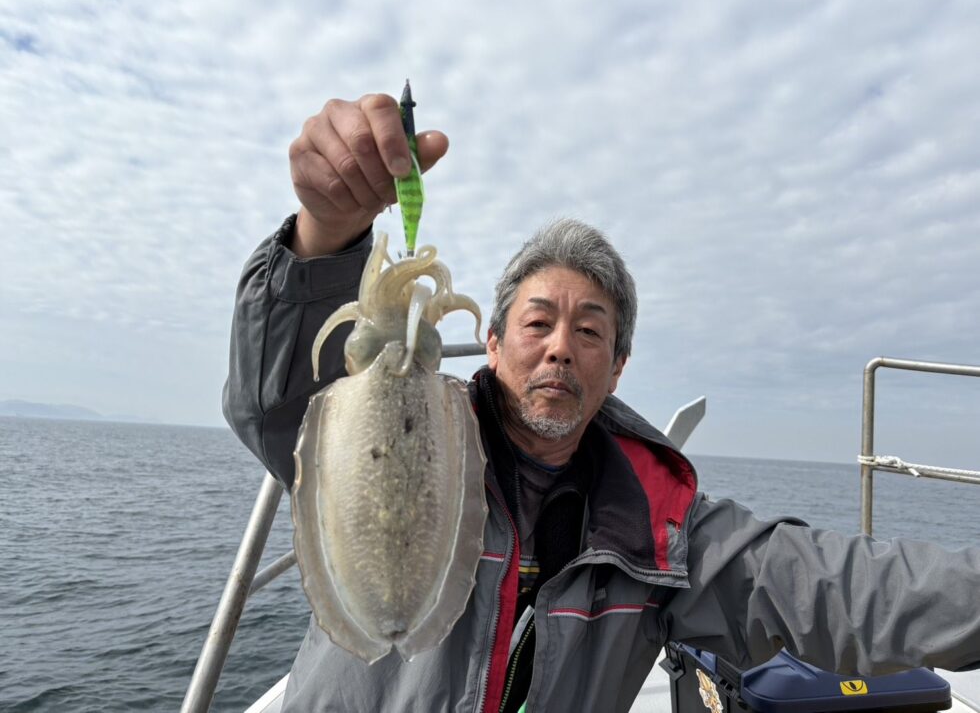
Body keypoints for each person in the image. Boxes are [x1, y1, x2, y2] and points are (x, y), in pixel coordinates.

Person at [223, 93, 980, 713]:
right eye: (538, 321)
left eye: (590, 330)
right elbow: (275, 398)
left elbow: (834, 589)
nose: (560, 347)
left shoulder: (664, 533)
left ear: (616, 368)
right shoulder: (389, 428)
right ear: (491, 344)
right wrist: (327, 230)